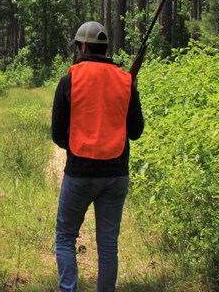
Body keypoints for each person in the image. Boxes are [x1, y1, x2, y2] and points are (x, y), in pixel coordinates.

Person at [51, 21, 144, 292]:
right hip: (116, 175)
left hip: (79, 173)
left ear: (82, 46)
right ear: (105, 48)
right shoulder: (125, 81)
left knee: (66, 237)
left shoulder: (69, 80)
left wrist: (80, 148)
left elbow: (58, 135)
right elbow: (136, 131)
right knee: (108, 245)